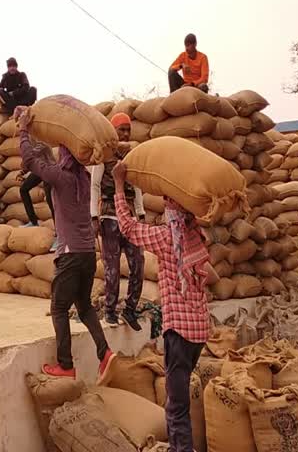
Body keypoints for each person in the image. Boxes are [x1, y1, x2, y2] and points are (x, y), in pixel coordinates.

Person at [112, 161, 219, 452]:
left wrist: (119, 186)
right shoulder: (197, 236)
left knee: (177, 406)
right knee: (177, 397)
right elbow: (212, 275)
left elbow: (128, 227)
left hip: (179, 332)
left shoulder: (165, 238)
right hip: (199, 330)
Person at [15, 105, 116, 380]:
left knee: (59, 308)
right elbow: (39, 159)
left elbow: (32, 161)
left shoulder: (61, 178)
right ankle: (105, 352)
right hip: (87, 254)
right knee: (83, 306)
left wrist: (23, 130)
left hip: (70, 254)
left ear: (65, 156)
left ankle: (66, 366)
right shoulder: (83, 177)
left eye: (62, 150)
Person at [90, 113, 145, 330]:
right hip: (109, 217)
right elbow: (95, 186)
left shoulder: (132, 155)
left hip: (130, 218)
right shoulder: (104, 155)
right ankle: (110, 311)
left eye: (127, 130)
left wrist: (140, 212)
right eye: (121, 130)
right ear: (113, 131)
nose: (125, 134)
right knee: (111, 268)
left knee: (138, 264)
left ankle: (130, 309)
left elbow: (138, 185)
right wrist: (94, 216)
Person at [19, 140, 59, 251]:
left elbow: (29, 158)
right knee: (23, 189)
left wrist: (24, 165)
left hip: (49, 171)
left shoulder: (41, 142)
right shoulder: (31, 141)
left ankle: (59, 236)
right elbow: (30, 162)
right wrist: (22, 172)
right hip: (40, 171)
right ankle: (33, 221)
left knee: (52, 204)